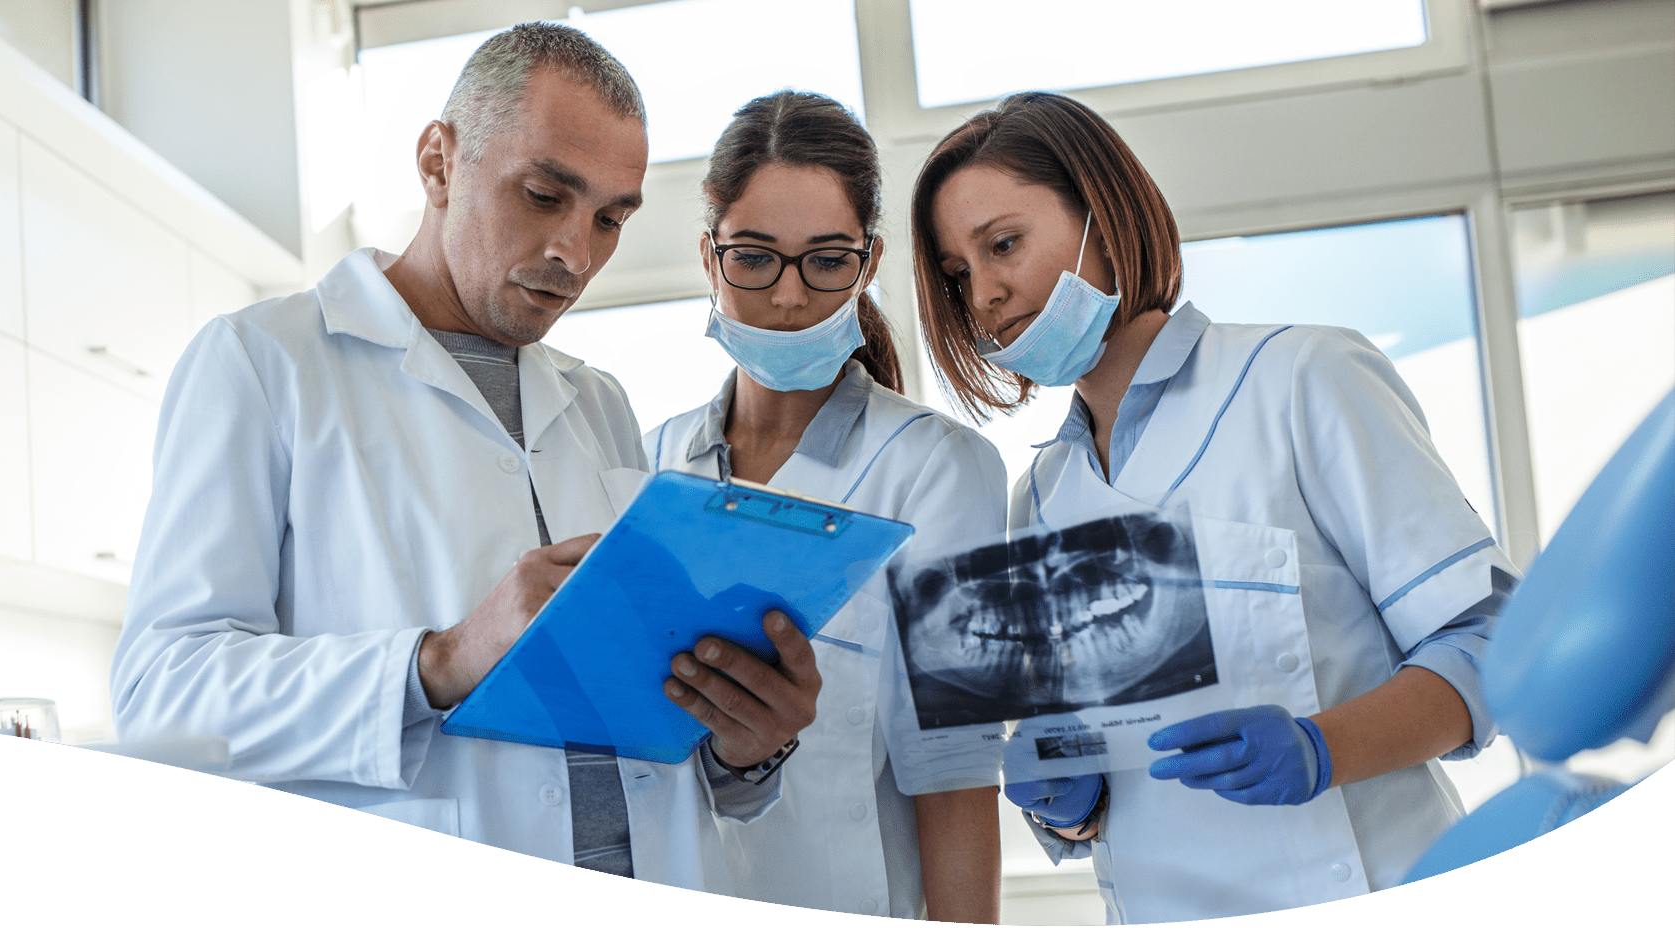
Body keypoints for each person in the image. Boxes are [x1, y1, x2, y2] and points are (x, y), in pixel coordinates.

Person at [110, 23, 818, 891]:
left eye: (609, 218)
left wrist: (744, 745)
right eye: (542, 195)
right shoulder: (265, 363)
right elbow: (162, 695)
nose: (576, 253)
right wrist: (437, 661)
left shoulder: (600, 404)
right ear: (439, 162)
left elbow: (637, 743)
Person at [907, 91, 1514, 924]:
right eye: (958, 275)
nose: (985, 296)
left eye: (1003, 244)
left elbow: (1490, 646)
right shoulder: (1039, 496)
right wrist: (1061, 796)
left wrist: (1320, 746)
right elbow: (1107, 789)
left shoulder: (1300, 378)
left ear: (1104, 214)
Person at [643, 91, 1001, 922]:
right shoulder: (647, 463)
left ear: (868, 263)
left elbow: (954, 774)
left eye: (827, 259)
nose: (790, 297)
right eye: (756, 257)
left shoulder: (937, 469)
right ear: (709, 256)